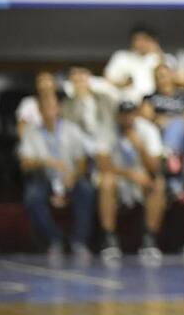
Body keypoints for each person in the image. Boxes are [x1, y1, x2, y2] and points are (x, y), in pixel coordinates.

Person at [17, 94, 96, 257]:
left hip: (69, 176)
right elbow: (25, 163)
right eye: (45, 107)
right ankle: (55, 239)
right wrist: (46, 162)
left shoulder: (71, 128)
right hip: (44, 178)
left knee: (86, 190)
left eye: (53, 107)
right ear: (39, 110)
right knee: (32, 196)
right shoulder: (31, 131)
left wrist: (73, 176)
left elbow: (81, 161)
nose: (50, 111)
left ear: (59, 109)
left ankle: (78, 240)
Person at [97, 101, 166, 262]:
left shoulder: (148, 129)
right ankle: (109, 239)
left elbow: (155, 168)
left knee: (158, 184)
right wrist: (129, 173)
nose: (127, 118)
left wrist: (140, 147)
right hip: (118, 176)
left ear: (136, 115)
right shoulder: (107, 129)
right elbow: (103, 165)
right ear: (118, 116)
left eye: (131, 114)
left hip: (142, 178)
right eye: (124, 115)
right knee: (107, 182)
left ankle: (150, 240)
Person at [104, 25, 172, 105]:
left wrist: (157, 51)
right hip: (125, 102)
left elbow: (166, 78)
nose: (140, 43)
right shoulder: (121, 56)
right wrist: (122, 83)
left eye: (144, 39)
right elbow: (107, 78)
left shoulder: (160, 58)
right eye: (136, 39)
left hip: (152, 103)